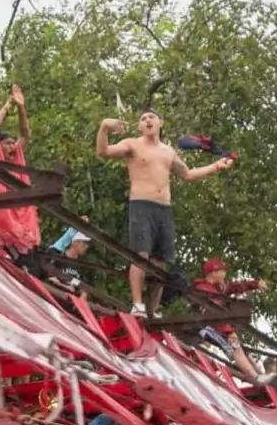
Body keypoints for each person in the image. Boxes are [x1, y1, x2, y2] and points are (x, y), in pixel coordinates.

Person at [96, 109, 234, 318]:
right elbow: (103, 152)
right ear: (140, 126)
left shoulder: (168, 151)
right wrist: (104, 126)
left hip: (164, 208)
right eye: (143, 119)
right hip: (141, 205)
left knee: (161, 261)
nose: (147, 120)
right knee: (140, 256)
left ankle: (154, 308)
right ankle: (137, 304)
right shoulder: (132, 144)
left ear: (161, 122)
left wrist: (216, 166)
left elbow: (187, 174)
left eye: (151, 117)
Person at [192, 258, 274, 384]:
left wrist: (256, 284)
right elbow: (213, 312)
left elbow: (237, 286)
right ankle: (255, 377)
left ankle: (258, 375)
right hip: (206, 329)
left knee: (238, 346)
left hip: (221, 328)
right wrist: (228, 331)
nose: (225, 273)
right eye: (222, 270)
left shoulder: (221, 287)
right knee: (234, 347)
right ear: (213, 273)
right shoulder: (202, 288)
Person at [0, 85, 39, 253]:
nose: (13, 146)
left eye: (14, 143)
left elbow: (26, 134)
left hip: (19, 229)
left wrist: (21, 107)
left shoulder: (16, 163)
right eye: (8, 143)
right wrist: (7, 105)